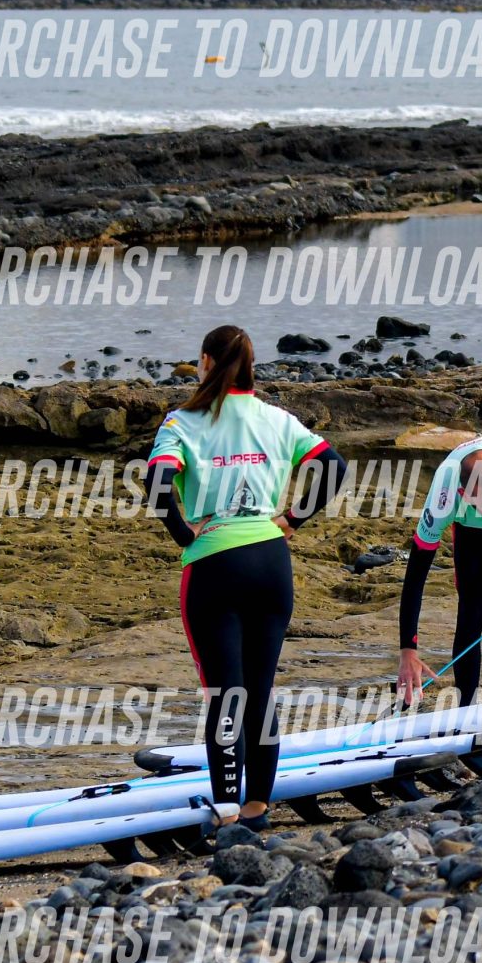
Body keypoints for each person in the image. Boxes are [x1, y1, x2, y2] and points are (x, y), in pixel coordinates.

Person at [149, 325, 348, 825]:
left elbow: (156, 482)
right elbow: (334, 465)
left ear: (206, 362)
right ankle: (258, 805)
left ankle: (227, 808)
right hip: (270, 561)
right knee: (260, 690)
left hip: (215, 564)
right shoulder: (277, 418)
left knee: (225, 695)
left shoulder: (182, 421)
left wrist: (183, 534)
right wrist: (294, 519)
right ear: (251, 366)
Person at [395, 435, 482, 707]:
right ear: (465, 495)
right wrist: (408, 650)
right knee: (470, 614)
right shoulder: (444, 496)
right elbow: (415, 578)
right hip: (472, 527)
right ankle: (465, 710)